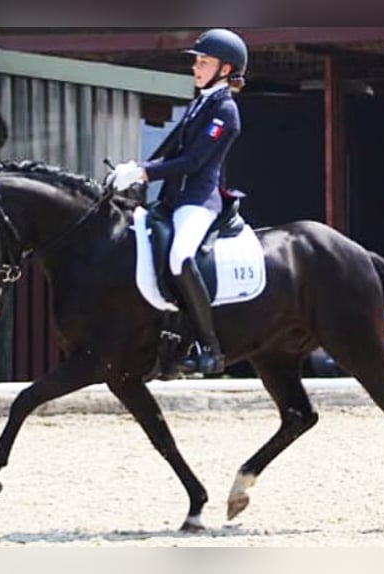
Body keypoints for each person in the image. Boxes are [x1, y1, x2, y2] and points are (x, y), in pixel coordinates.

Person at [108, 28, 248, 375]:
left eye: (204, 62)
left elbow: (194, 162)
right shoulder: (199, 103)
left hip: (199, 201)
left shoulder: (225, 111)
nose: (196, 67)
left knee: (181, 258)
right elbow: (170, 150)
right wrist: (134, 168)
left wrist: (144, 174)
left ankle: (210, 348)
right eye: (196, 61)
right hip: (173, 200)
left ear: (225, 70)